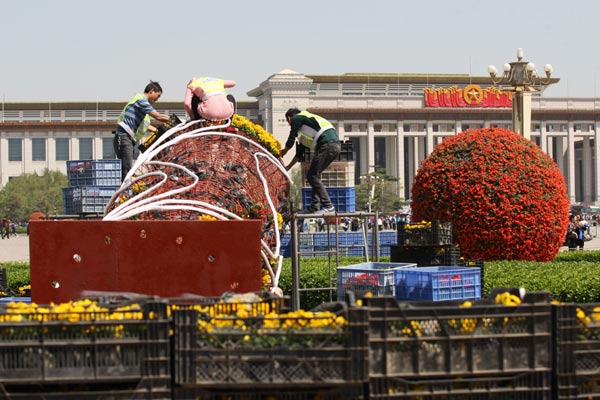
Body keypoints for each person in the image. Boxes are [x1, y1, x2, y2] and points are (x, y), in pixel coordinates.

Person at [280, 108, 340, 213]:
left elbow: (291, 136)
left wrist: (285, 150)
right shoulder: (306, 129)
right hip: (333, 146)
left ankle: (328, 206)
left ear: (289, 118)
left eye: (288, 121)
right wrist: (287, 168)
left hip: (327, 145)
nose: (290, 124)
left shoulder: (297, 117)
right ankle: (314, 207)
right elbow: (299, 154)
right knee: (314, 176)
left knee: (312, 176)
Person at [114, 81, 169, 182]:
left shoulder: (139, 104)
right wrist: (176, 121)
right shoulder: (141, 100)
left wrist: (158, 131)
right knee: (127, 173)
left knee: (128, 170)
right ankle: (125, 195)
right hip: (124, 137)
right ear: (152, 91)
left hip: (126, 139)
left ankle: (127, 193)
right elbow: (158, 116)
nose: (157, 99)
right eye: (158, 96)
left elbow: (146, 126)